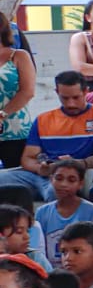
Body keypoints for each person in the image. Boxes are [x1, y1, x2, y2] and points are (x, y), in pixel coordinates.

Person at [0, 71, 93, 201]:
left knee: (58, 190)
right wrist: (41, 168)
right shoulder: (43, 119)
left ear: (86, 91)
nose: (70, 104)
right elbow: (28, 158)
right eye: (65, 98)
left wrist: (78, 164)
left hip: (77, 174)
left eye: (76, 97)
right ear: (57, 92)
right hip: (42, 174)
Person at [0, 10, 37, 170]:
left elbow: (27, 91)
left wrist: (2, 115)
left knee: (16, 177)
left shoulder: (19, 56)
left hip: (15, 130)